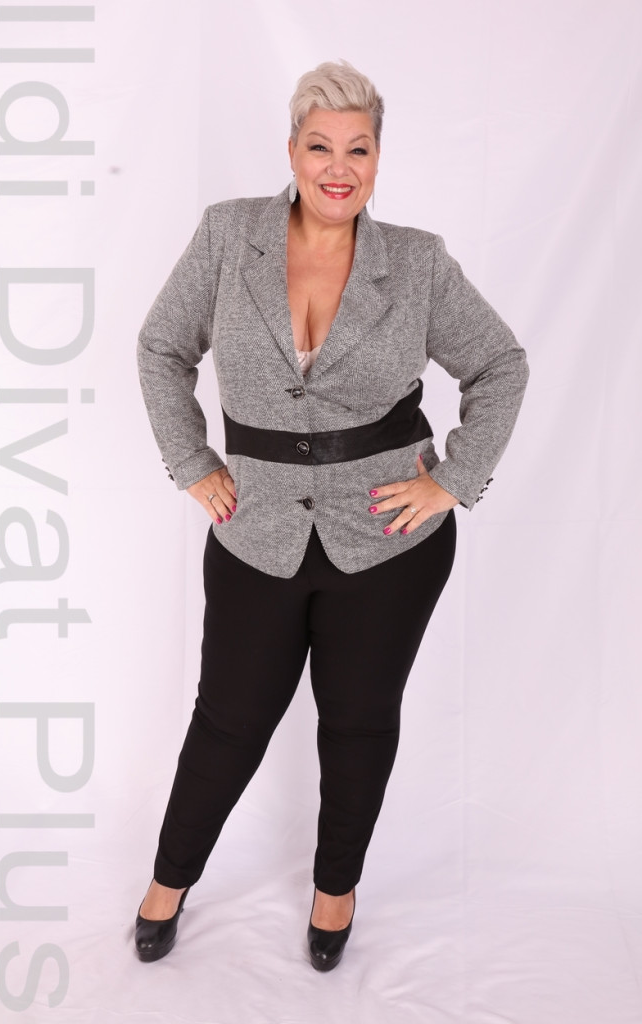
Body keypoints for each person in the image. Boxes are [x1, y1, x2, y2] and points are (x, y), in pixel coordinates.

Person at [134, 59, 529, 971]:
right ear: (292, 152)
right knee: (228, 719)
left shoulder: (417, 262)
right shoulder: (228, 234)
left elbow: (499, 364)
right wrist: (191, 462)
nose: (337, 168)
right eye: (320, 147)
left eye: (358, 149)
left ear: (378, 159)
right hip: (254, 526)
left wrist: (453, 480)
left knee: (357, 720)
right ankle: (167, 882)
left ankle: (334, 892)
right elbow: (160, 347)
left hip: (389, 538)